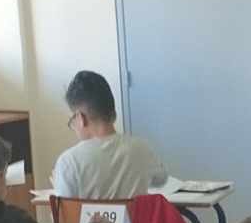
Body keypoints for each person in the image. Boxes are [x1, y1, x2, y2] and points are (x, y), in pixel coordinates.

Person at [51, 71, 166, 200]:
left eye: (72, 120)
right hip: (137, 214)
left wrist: (60, 182)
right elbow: (161, 180)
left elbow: (65, 211)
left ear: (80, 117)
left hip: (87, 215)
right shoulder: (142, 148)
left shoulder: (69, 162)